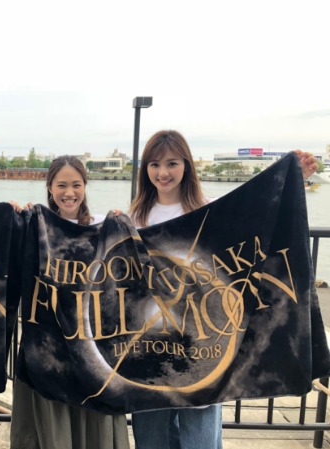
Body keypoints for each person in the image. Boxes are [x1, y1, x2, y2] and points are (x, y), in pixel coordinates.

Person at [127, 130, 318, 449]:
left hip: (205, 339)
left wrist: (294, 178)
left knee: (200, 434)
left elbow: (263, 215)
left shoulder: (212, 209)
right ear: (145, 169)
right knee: (151, 433)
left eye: (172, 163)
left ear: (187, 165)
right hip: (152, 341)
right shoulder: (134, 217)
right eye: (154, 164)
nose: (163, 172)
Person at [10, 155, 131, 449]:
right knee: (53, 432)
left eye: (76, 185)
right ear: (49, 188)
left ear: (85, 186)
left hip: (93, 350)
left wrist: (124, 225)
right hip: (47, 352)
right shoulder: (33, 226)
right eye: (61, 185)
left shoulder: (103, 226)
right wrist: (12, 215)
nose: (69, 192)